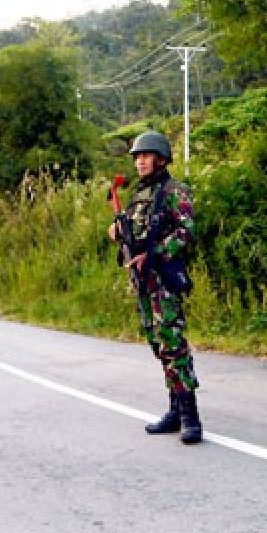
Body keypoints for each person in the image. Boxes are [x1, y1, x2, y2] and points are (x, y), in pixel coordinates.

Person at [108, 131, 202, 444]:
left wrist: (154, 254)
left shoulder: (175, 191)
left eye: (146, 156)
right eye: (137, 157)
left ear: (161, 158)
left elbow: (186, 231)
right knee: (156, 342)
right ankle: (175, 408)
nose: (141, 162)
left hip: (164, 277)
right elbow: (134, 232)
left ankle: (190, 415)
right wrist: (118, 232)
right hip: (143, 282)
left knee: (172, 341)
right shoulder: (139, 195)